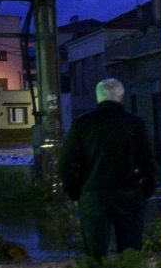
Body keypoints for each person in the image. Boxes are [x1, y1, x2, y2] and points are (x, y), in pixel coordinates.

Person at [59, 78, 155, 258]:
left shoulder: (83, 123)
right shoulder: (135, 123)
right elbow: (147, 161)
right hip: (130, 195)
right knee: (130, 254)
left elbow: (67, 163)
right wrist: (146, 190)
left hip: (94, 195)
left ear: (98, 97)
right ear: (121, 97)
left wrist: (75, 192)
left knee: (95, 254)